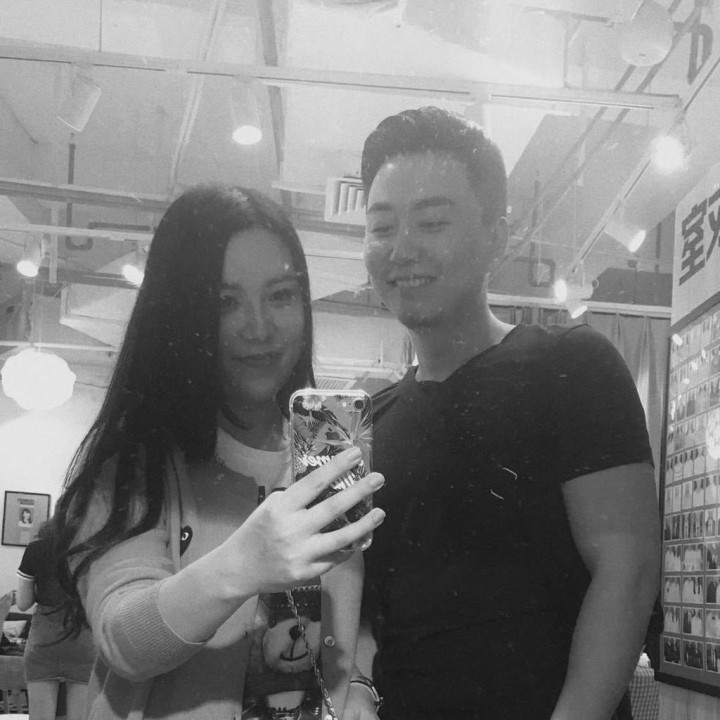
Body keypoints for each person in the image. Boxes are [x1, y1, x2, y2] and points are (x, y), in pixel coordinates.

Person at [346, 107, 660, 720]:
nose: (402, 249)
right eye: (382, 227)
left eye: (432, 222)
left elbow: (629, 568)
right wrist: (356, 684)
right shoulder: (371, 421)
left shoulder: (572, 365)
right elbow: (364, 602)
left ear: (498, 235)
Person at [52, 184, 386, 720]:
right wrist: (240, 567)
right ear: (179, 314)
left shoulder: (327, 454)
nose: (259, 327)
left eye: (281, 295)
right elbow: (124, 639)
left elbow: (355, 612)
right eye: (224, 302)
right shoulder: (136, 465)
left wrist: (361, 687)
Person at [16, 519, 96, 719]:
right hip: (83, 637)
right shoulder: (94, 548)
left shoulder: (36, 549)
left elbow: (23, 603)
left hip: (44, 639)